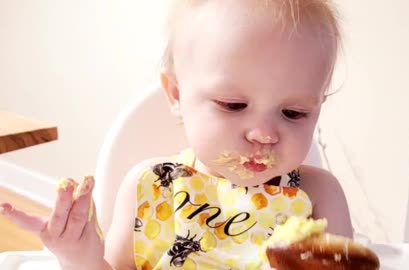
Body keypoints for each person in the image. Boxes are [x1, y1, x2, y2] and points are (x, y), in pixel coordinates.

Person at [0, 0, 353, 269]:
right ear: (177, 96)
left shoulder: (318, 196)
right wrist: (80, 256)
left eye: (293, 113)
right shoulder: (152, 187)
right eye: (233, 105)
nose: (263, 134)